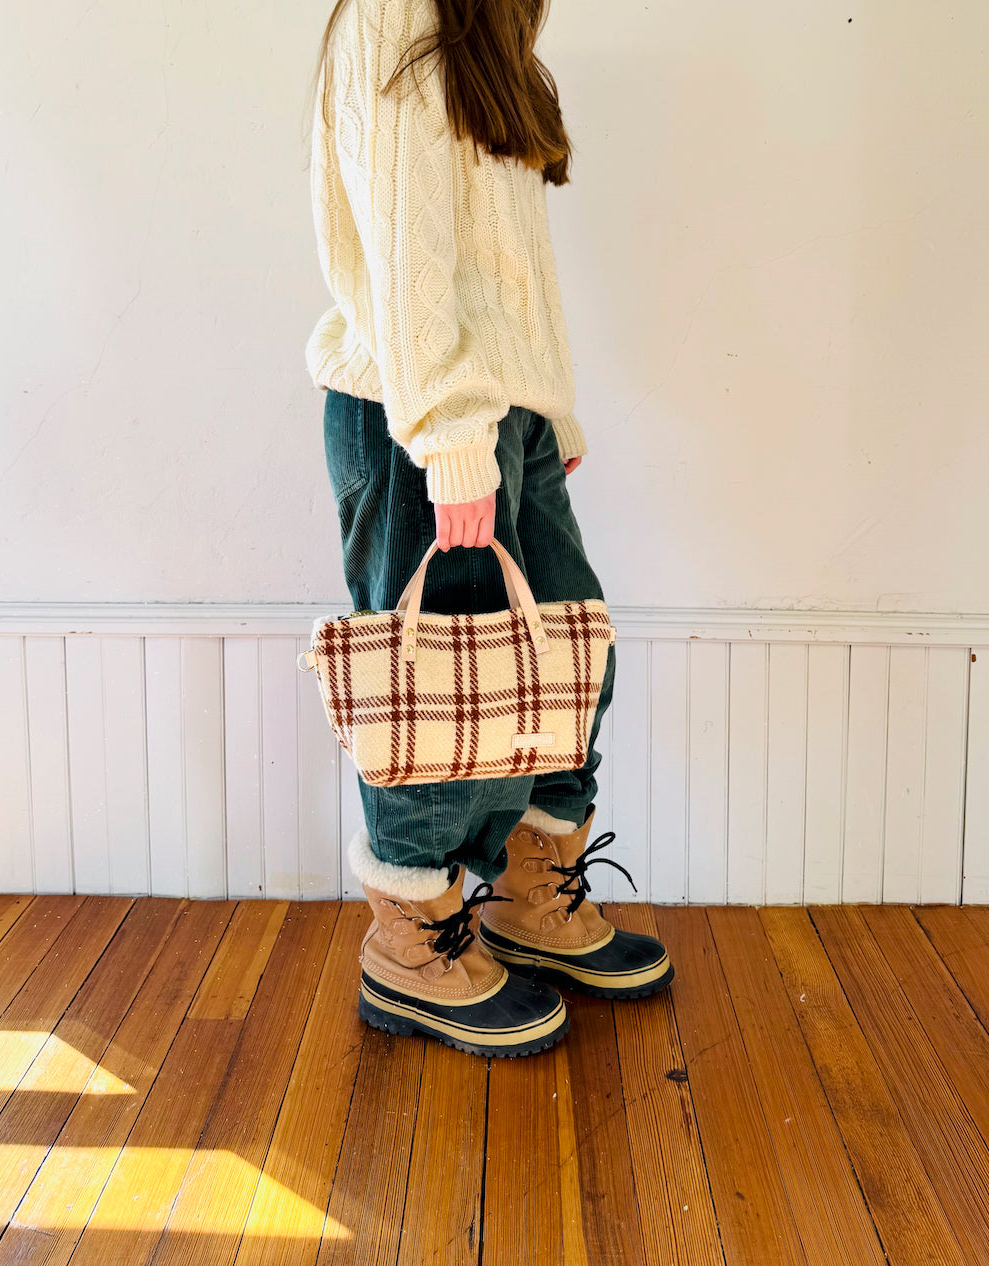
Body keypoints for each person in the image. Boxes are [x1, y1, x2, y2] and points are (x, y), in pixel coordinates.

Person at [304, 0, 673, 1057]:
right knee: (441, 689)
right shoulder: (392, 12)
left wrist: (545, 408)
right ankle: (410, 942)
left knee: (567, 658)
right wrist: (453, 437)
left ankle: (529, 900)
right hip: (420, 413)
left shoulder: (480, 23)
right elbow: (403, 250)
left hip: (497, 410)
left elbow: (501, 262)